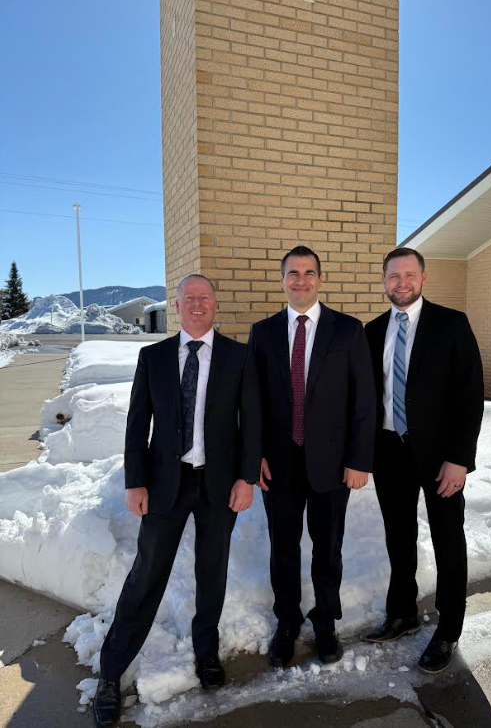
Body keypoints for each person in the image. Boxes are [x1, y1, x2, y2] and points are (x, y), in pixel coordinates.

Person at [93, 274, 261, 728]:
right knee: (146, 575)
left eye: (204, 297)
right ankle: (111, 672)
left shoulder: (239, 357)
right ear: (177, 305)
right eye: (189, 298)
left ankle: (206, 655)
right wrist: (136, 482)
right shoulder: (154, 357)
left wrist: (247, 478)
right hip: (166, 484)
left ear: (215, 304)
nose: (197, 304)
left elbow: (252, 423)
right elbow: (137, 424)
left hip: (218, 485)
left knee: (212, 571)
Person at [249, 245, 376, 668]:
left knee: (328, 549)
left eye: (308, 273)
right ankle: (287, 623)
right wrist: (255, 455)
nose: (300, 281)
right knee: (283, 549)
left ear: (320, 279)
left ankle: (325, 624)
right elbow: (253, 402)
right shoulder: (263, 332)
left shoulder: (348, 330)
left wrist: (359, 460)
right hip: (278, 466)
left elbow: (363, 400)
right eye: (293, 273)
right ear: (282, 280)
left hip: (333, 465)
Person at [363, 247, 484, 674]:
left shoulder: (451, 324)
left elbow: (470, 395)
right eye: (393, 276)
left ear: (423, 278)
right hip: (389, 450)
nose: (401, 283)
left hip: (440, 457)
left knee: (448, 540)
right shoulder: (373, 331)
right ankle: (403, 614)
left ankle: (449, 629)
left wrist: (460, 459)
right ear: (384, 282)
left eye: (409, 275)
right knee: (399, 537)